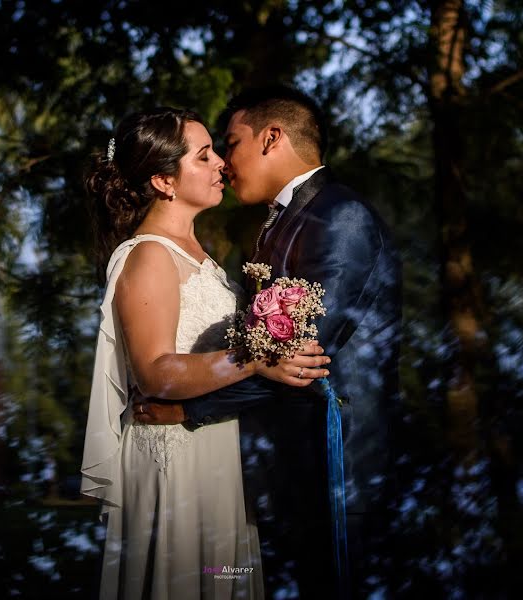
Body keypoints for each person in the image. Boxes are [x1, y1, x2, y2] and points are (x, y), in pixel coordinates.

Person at [133, 86, 403, 598]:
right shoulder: (288, 221)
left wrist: (189, 412)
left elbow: (304, 355)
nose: (224, 163)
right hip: (290, 467)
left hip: (339, 468)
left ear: (271, 137)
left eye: (230, 144)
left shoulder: (338, 218)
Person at [79, 107, 332, 600]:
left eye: (216, 150)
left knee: (222, 578)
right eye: (204, 155)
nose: (221, 163)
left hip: (217, 451)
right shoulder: (148, 254)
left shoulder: (199, 254)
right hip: (177, 462)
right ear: (162, 180)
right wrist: (256, 359)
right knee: (189, 581)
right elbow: (155, 373)